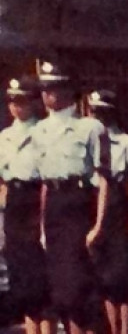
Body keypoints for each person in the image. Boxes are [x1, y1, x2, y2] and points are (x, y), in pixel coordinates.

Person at [33, 61, 111, 334]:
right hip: (55, 207)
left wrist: (99, 225)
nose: (47, 94)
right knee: (62, 294)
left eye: (53, 88)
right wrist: (43, 225)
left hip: (79, 204)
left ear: (67, 90)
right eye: (44, 88)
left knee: (83, 289)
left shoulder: (90, 127)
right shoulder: (39, 131)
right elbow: (45, 182)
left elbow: (102, 180)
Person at [88, 89, 128, 334]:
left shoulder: (125, 143)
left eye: (102, 112)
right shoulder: (88, 139)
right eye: (94, 111)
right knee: (103, 281)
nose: (97, 116)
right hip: (92, 205)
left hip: (118, 211)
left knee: (122, 281)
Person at [0, 76, 50, 334]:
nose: (16, 107)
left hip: (35, 202)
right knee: (23, 283)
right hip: (14, 206)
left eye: (22, 101)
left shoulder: (43, 133)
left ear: (33, 103)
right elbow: (3, 182)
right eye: (12, 101)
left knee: (42, 282)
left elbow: (45, 181)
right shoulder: (4, 137)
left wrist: (42, 222)